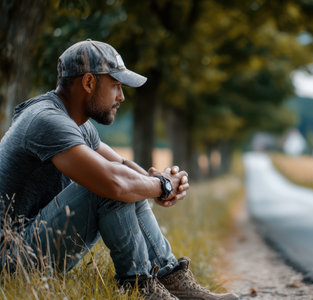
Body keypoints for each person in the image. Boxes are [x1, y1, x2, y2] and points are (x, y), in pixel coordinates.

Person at [0, 39, 238, 300]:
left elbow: (123, 166)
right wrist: (161, 186)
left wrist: (160, 181)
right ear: (89, 82)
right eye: (115, 86)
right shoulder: (46, 120)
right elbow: (114, 182)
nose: (121, 97)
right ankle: (140, 288)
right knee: (108, 187)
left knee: (123, 182)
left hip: (32, 247)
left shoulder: (77, 123)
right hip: (11, 259)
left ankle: (170, 278)